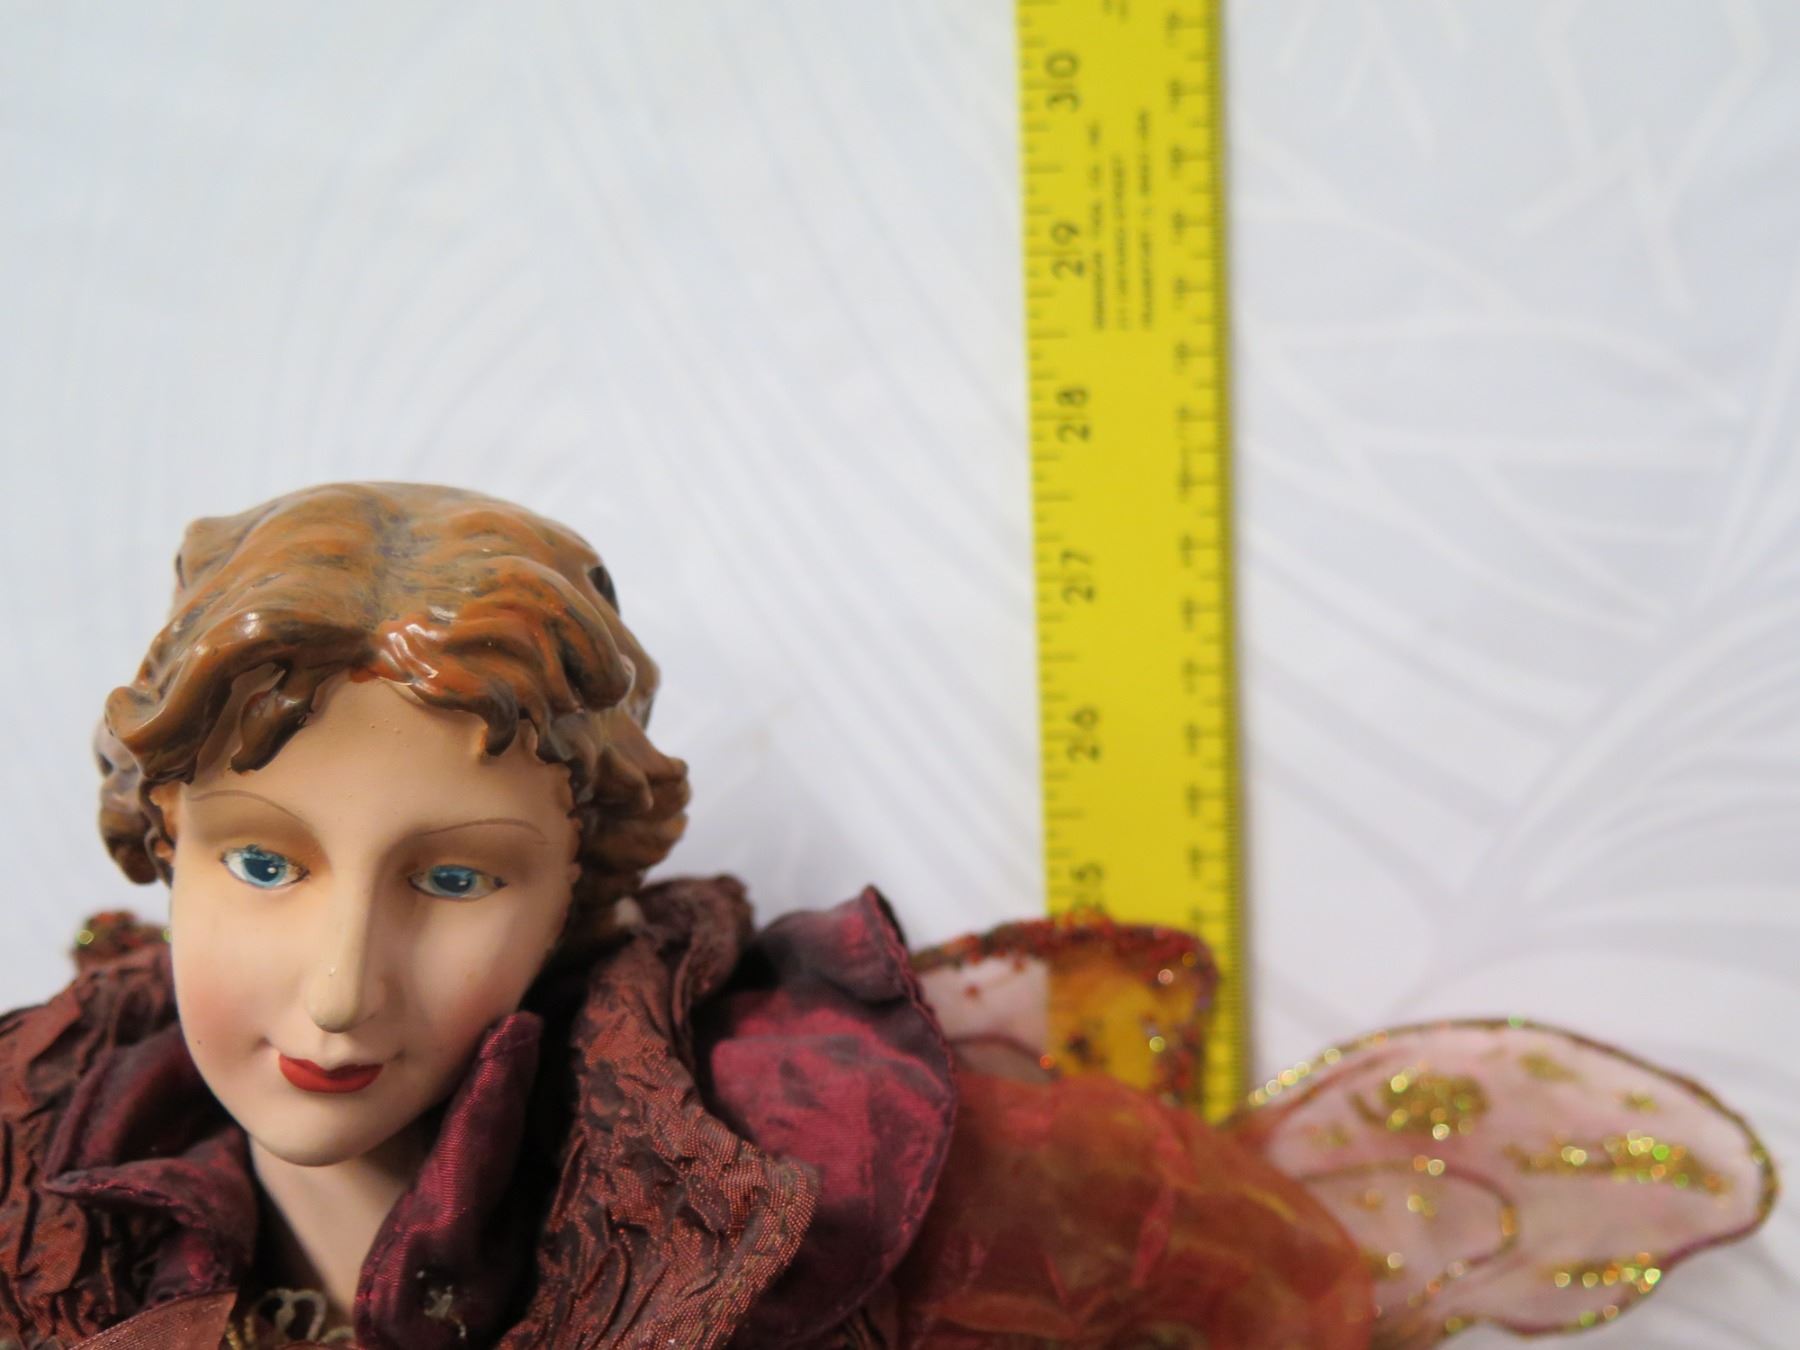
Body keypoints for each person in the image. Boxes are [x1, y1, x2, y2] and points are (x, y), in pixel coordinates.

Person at [0, 483, 1775, 1349]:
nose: (338, 986)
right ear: (158, 841)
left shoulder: (775, 1206)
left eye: (455, 878)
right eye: (261, 862)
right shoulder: (51, 1171)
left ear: (573, 889)